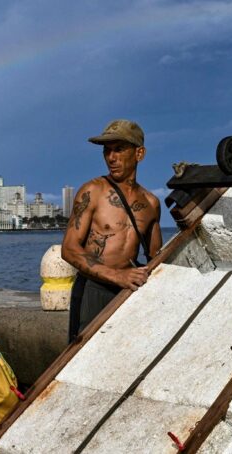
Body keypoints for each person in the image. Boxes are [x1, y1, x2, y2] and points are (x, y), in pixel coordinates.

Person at [62, 119, 162, 342]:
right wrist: (118, 275)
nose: (111, 158)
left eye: (119, 149)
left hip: (127, 291)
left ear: (139, 154)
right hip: (93, 289)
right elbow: (69, 249)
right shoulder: (93, 191)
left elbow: (156, 259)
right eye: (107, 151)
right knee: (82, 358)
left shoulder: (151, 203)